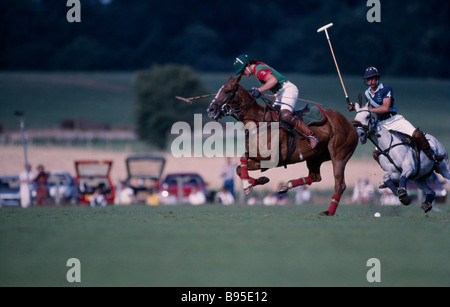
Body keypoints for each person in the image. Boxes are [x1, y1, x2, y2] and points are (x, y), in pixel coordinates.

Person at [348, 67, 444, 163]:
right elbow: (369, 107)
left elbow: (385, 107)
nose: (371, 81)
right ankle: (391, 171)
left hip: (394, 120)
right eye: (369, 79)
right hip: (381, 125)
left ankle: (432, 155)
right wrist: (354, 107)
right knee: (376, 154)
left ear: (377, 78)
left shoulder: (386, 88)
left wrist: (368, 110)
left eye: (373, 78)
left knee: (417, 134)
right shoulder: (367, 93)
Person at [234, 54, 319, 149]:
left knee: (285, 115)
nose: (243, 73)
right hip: (279, 93)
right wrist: (258, 89)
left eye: (242, 70)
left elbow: (273, 81)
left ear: (248, 65)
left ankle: (312, 136)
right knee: (270, 116)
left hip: (287, 89)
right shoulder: (258, 69)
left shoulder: (258, 70)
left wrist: (260, 90)